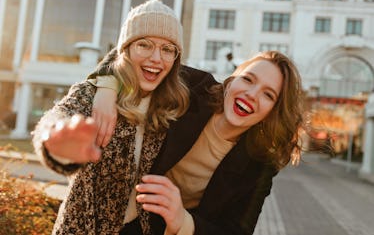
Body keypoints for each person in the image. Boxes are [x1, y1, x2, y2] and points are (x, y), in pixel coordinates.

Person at [31, 0, 207, 234]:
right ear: (125, 49)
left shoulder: (175, 104)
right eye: (144, 45)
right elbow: (57, 116)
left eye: (167, 49)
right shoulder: (94, 93)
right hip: (82, 228)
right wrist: (55, 138)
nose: (156, 58)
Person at [90, 50, 305, 235]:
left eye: (268, 94)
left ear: (272, 112)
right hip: (109, 205)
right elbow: (127, 55)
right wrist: (106, 91)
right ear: (232, 80)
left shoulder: (259, 167)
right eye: (248, 79)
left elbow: (235, 231)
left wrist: (182, 220)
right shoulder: (195, 86)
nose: (251, 94)